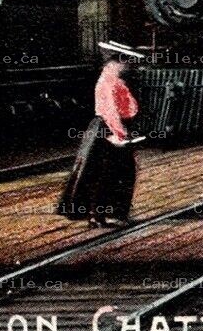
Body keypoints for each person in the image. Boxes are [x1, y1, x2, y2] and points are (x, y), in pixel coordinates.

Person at [58, 42, 144, 227]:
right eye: (124, 62)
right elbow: (110, 112)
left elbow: (128, 107)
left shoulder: (114, 80)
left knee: (110, 172)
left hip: (107, 128)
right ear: (113, 63)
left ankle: (108, 213)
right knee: (106, 173)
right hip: (107, 129)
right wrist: (120, 134)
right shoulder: (109, 82)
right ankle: (101, 214)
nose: (126, 66)